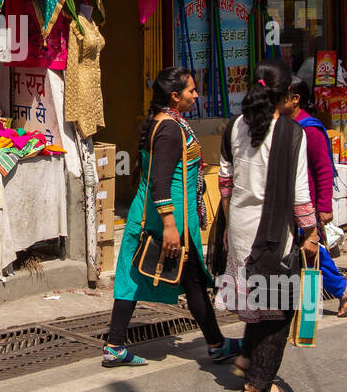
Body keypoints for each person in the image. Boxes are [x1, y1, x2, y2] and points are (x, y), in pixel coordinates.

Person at [103, 67, 244, 367]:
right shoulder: (169, 129)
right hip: (164, 218)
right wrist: (169, 225)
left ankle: (116, 344)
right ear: (174, 96)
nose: (197, 95)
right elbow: (161, 183)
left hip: (156, 215)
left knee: (170, 277)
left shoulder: (167, 122)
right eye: (191, 91)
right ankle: (216, 344)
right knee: (173, 276)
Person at [218, 59, 320, 392]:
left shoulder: (235, 126)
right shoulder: (293, 133)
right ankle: (258, 383)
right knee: (277, 309)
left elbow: (225, 180)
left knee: (257, 299)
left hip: (241, 229)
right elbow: (301, 194)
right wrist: (312, 233)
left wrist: (229, 221)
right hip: (273, 234)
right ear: (283, 95)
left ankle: (246, 357)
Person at [286, 78, 347, 316]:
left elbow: (324, 169)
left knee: (310, 249)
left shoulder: (310, 129)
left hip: (307, 203)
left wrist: (325, 206)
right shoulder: (284, 125)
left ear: (295, 99)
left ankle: (341, 287)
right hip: (288, 201)